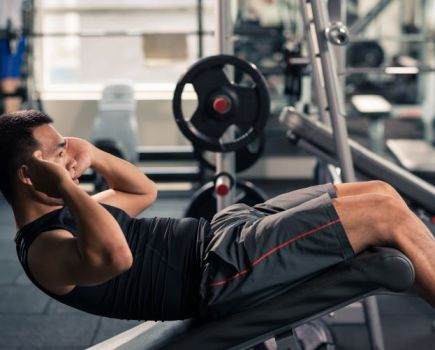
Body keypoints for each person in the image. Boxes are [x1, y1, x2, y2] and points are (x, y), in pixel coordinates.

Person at [1, 109, 435, 322]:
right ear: (29, 174)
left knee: (378, 192)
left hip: (223, 232)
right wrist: (65, 188)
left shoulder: (74, 214)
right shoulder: (45, 250)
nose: (68, 161)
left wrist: (91, 153)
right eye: (58, 154)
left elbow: (142, 191)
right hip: (220, 271)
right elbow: (117, 257)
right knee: (380, 213)